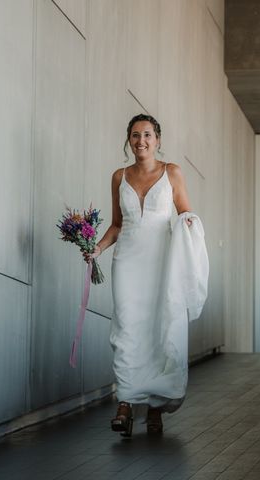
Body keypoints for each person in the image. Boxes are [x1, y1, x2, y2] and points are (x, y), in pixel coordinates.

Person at [84, 114, 202, 437]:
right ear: (129, 140)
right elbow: (118, 224)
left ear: (158, 139)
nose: (141, 141)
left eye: (147, 135)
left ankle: (154, 408)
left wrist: (189, 224)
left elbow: (186, 214)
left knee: (156, 330)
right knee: (126, 329)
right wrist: (97, 249)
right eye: (135, 136)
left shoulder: (172, 173)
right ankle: (125, 402)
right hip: (127, 263)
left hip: (162, 264)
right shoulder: (118, 177)